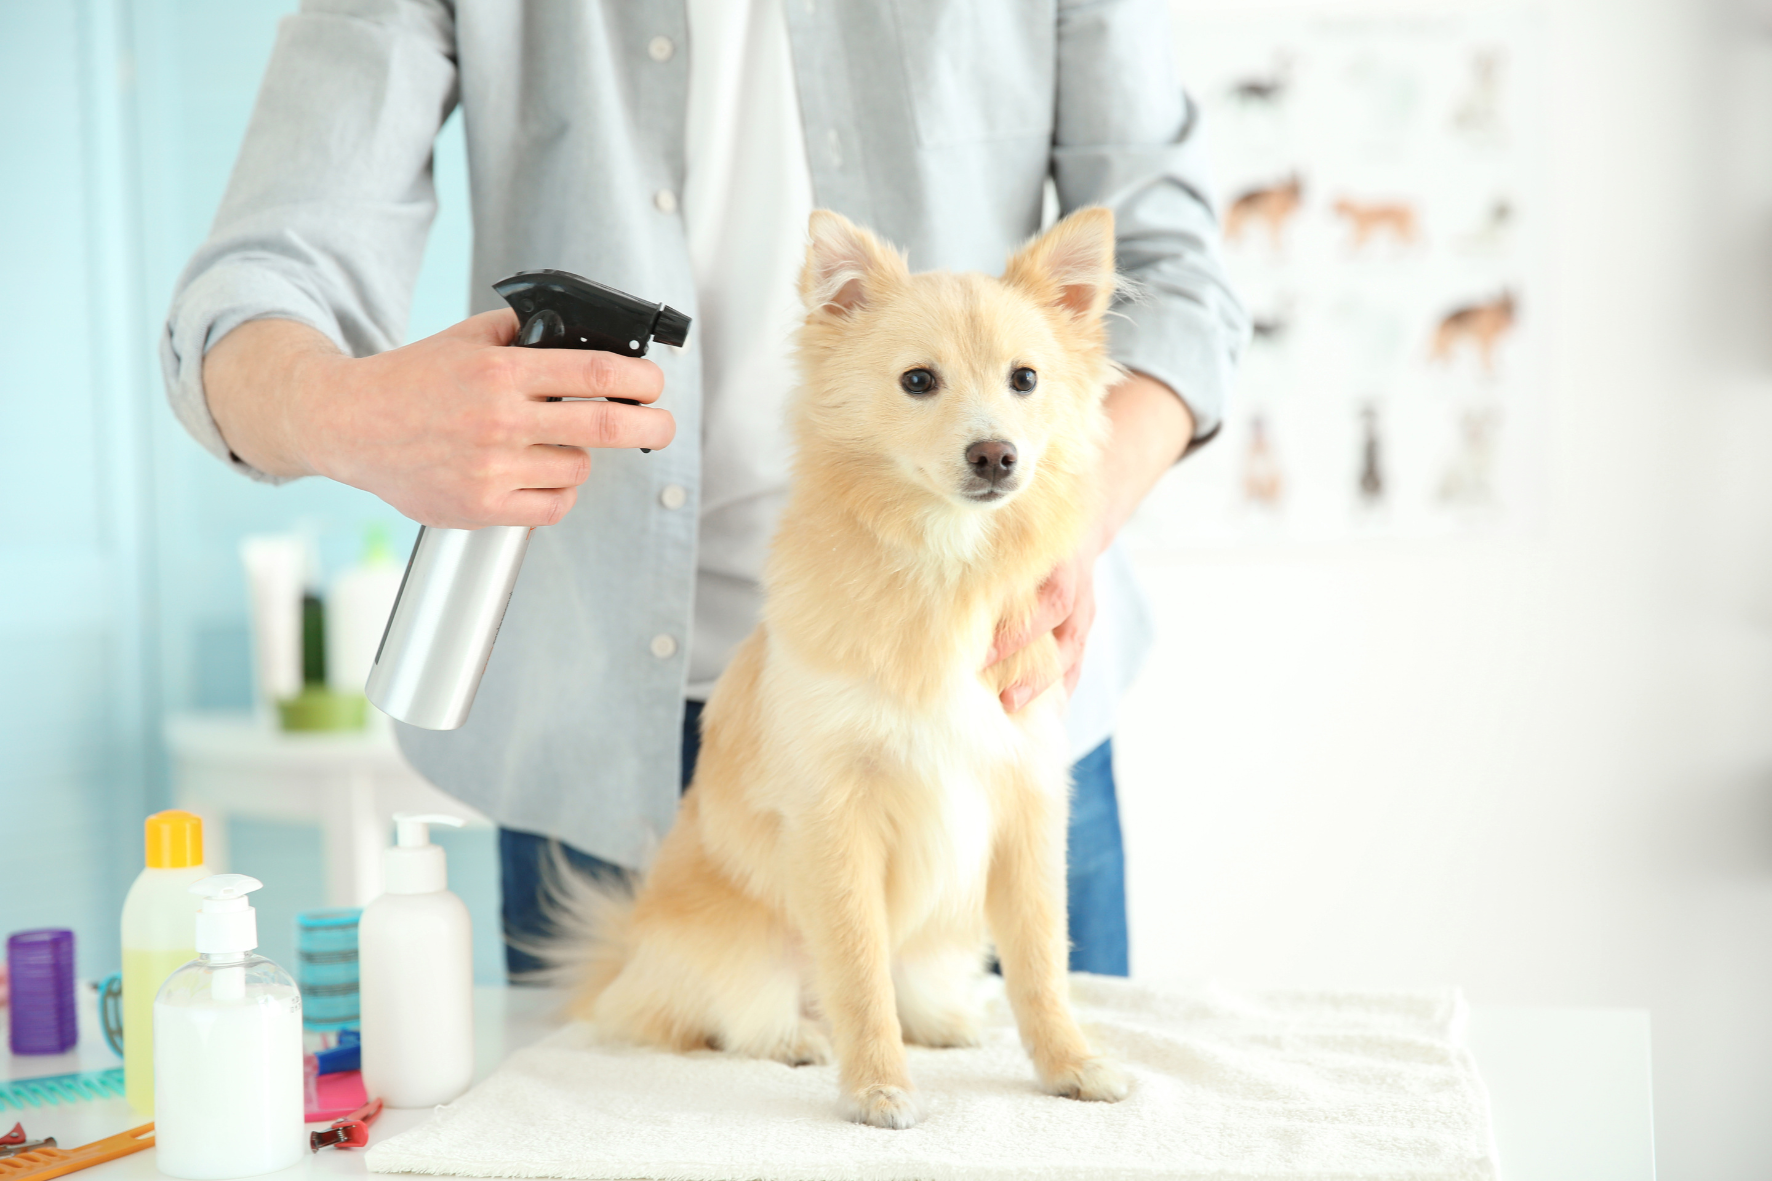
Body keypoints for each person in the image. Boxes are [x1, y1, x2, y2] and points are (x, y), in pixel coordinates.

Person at [164, 0, 1248, 979]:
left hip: (988, 702)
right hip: (603, 747)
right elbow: (258, 281)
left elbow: (1177, 274)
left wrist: (1067, 521)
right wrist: (352, 411)